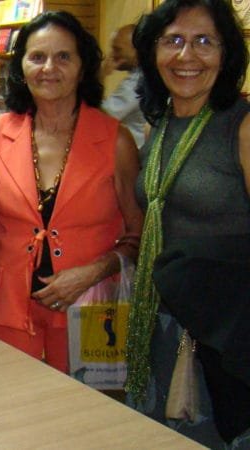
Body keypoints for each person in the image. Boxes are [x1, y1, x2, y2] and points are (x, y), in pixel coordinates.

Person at [0, 11, 144, 374]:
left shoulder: (115, 140)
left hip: (94, 307)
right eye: (37, 56)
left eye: (63, 56)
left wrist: (92, 271)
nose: (49, 67)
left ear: (83, 67)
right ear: (21, 67)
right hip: (8, 305)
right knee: (10, 409)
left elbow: (138, 234)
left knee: (87, 418)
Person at [125, 0, 250, 447]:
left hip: (223, 335)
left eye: (204, 42)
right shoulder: (158, 126)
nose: (186, 56)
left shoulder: (241, 125)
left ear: (227, 53)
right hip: (161, 323)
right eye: (173, 40)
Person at [101, 23, 147, 147]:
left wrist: (99, 77)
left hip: (137, 157)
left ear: (137, 52)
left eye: (117, 50)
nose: (112, 55)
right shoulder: (145, 76)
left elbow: (101, 119)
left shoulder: (136, 84)